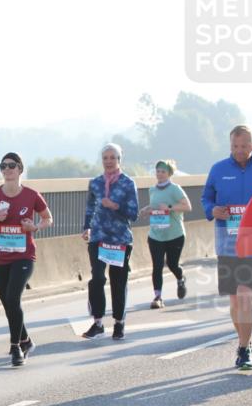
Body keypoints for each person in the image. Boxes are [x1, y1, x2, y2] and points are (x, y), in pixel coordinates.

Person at [0, 152, 53, 366]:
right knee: (8, 304)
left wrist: (35, 227)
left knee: (13, 299)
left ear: (20, 169)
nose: (7, 169)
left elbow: (48, 218)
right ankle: (26, 340)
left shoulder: (31, 195)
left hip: (24, 256)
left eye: (12, 165)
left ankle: (15, 348)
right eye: (3, 166)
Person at [201, 125, 252, 370]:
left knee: (245, 297)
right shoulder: (218, 169)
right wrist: (212, 210)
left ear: (251, 146)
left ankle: (244, 348)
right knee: (236, 301)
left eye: (244, 146)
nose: (239, 151)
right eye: (235, 146)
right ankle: (244, 343)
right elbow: (206, 198)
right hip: (229, 242)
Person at [81, 143, 139, 340]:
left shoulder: (127, 183)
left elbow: (134, 214)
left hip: (120, 239)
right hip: (98, 237)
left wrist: (115, 206)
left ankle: (119, 323)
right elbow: (90, 208)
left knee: (118, 281)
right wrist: (86, 227)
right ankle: (97, 322)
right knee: (97, 278)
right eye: (105, 158)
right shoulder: (95, 183)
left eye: (112, 158)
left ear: (119, 160)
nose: (108, 161)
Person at [140, 160, 191, 309]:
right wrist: (145, 210)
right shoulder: (152, 190)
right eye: (158, 171)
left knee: (172, 264)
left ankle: (180, 279)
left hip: (174, 234)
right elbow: (155, 206)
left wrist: (169, 207)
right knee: (157, 265)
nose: (160, 174)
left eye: (163, 171)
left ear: (169, 173)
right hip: (156, 233)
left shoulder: (175, 189)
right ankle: (157, 297)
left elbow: (187, 206)